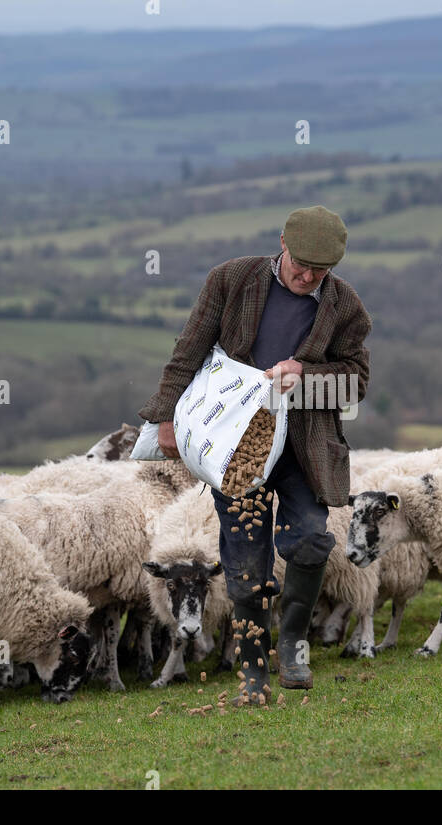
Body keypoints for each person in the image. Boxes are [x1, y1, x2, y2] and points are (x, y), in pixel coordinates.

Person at [138, 205, 372, 699]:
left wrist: (304, 377)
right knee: (245, 568)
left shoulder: (345, 307)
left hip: (303, 446)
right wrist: (164, 417)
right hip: (234, 444)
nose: (308, 277)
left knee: (309, 542)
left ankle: (292, 643)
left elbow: (354, 384)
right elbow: (190, 349)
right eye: (300, 265)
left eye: (320, 271)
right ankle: (252, 672)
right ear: (282, 245)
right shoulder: (231, 280)